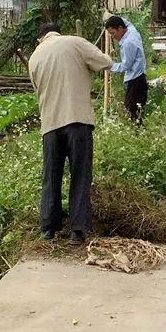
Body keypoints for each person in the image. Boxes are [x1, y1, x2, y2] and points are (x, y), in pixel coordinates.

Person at [28, 23, 113, 245]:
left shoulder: (35, 56)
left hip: (50, 124)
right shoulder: (75, 42)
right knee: (80, 175)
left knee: (51, 176)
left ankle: (48, 228)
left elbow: (38, 89)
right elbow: (105, 62)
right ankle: (78, 231)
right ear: (58, 32)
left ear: (41, 38)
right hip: (77, 120)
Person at [105, 15, 148, 122]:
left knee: (132, 111)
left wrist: (110, 66)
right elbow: (128, 23)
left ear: (120, 28)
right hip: (140, 77)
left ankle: (137, 135)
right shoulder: (132, 32)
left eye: (113, 33)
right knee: (136, 110)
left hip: (135, 80)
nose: (112, 37)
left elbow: (126, 65)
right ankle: (138, 133)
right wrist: (111, 17)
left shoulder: (128, 43)